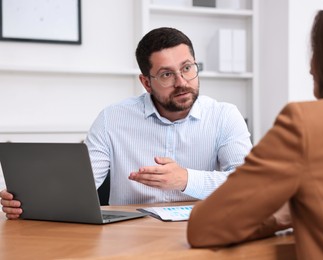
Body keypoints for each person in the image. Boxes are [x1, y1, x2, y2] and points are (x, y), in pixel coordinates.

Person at [187, 0, 323, 259]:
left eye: (316, 51)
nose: (309, 67)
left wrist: (288, 212)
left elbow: (206, 227)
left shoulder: (307, 124)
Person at [0, 27, 252, 219]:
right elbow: (80, 186)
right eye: (166, 74)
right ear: (146, 82)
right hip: (128, 236)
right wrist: (29, 203)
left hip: (200, 230)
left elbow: (249, 185)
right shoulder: (113, 118)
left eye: (187, 68)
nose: (182, 82)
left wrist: (185, 179)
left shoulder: (224, 116)